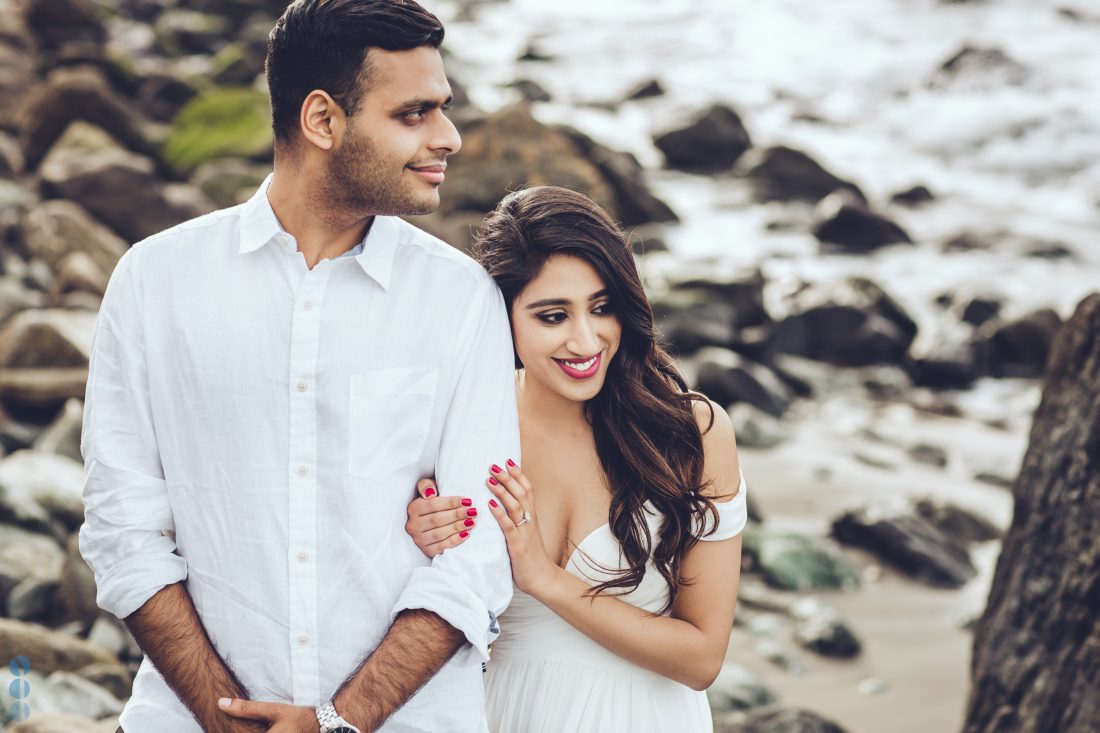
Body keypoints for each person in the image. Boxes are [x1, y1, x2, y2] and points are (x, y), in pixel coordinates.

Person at [78, 2, 519, 732]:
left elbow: (479, 551)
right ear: (322, 121)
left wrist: (339, 720)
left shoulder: (460, 299)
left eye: (444, 108)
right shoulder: (156, 282)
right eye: (414, 114)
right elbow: (122, 526)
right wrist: (222, 716)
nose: (449, 137)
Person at [405, 186, 747, 732]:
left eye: (602, 307)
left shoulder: (692, 432)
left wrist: (546, 579)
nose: (585, 341)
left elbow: (702, 659)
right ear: (503, 315)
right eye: (552, 316)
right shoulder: (455, 426)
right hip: (501, 714)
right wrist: (418, 540)